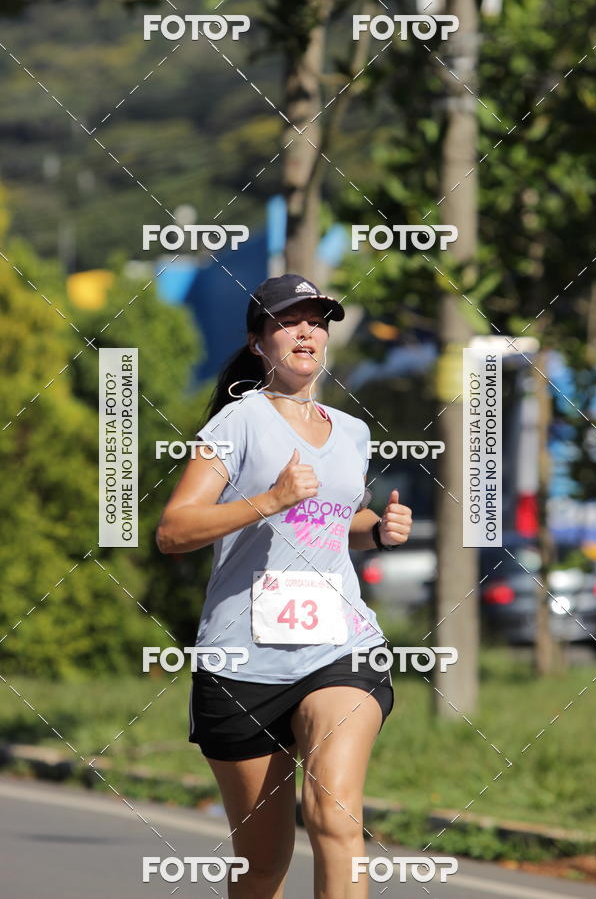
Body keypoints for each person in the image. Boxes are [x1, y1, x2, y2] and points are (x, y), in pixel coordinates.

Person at [156, 273, 413, 898]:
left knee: (333, 813)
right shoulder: (236, 424)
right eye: (287, 321)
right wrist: (268, 499)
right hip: (241, 661)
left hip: (340, 648)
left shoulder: (352, 432)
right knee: (263, 865)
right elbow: (174, 530)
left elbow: (322, 526)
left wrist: (373, 531)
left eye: (317, 321)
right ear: (257, 343)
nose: (306, 332)